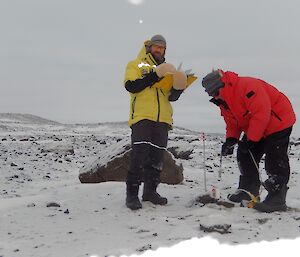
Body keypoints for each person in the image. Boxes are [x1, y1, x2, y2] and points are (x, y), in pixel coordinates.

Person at [202, 69, 296, 213]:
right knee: (245, 155)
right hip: (258, 125)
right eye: (210, 93)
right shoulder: (224, 99)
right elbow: (232, 121)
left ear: (219, 86)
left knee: (275, 158)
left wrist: (252, 139)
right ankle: (249, 190)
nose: (212, 96)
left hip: (278, 121)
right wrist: (231, 140)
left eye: (212, 92)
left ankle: (277, 198)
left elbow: (261, 112)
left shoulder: (247, 86)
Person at [123, 35, 187, 210]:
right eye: (156, 47)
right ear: (149, 47)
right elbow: (131, 86)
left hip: (163, 119)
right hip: (142, 117)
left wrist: (178, 88)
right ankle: (132, 196)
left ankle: (150, 192)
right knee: (138, 157)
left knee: (157, 159)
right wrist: (154, 75)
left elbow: (170, 97)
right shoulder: (135, 64)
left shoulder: (168, 70)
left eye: (163, 48)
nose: (159, 50)